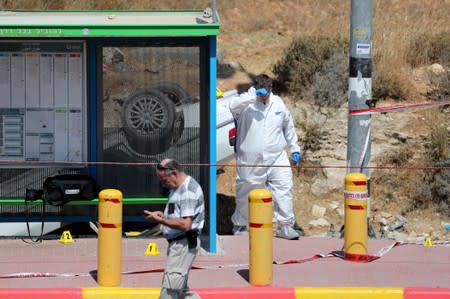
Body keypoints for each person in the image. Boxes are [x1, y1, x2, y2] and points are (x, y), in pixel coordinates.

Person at [229, 74, 303, 240]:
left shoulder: (278, 103)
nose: (263, 96)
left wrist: (294, 148)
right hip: (250, 158)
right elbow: (232, 106)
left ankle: (285, 226)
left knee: (284, 187)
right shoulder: (245, 104)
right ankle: (240, 225)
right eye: (260, 93)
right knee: (246, 190)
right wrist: (252, 95)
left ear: (271, 89)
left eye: (266, 93)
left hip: (277, 156)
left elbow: (288, 126)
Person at [144, 158, 204, 299]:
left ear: (174, 173)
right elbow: (177, 213)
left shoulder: (187, 191)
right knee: (182, 290)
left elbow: (185, 224)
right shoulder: (177, 187)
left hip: (183, 244)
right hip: (179, 244)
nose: (163, 184)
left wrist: (161, 220)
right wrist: (164, 216)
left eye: (164, 180)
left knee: (169, 290)